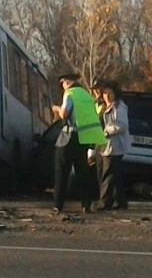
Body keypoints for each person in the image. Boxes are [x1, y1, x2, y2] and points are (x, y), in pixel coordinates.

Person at [52, 72, 107, 214]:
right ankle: (86, 205)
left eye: (62, 84)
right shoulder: (87, 96)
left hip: (69, 137)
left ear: (67, 83)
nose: (62, 87)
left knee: (61, 171)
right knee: (82, 173)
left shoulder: (70, 94)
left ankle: (58, 206)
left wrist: (56, 109)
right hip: (83, 138)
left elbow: (64, 114)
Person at [95, 80, 130, 211]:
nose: (107, 96)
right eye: (104, 93)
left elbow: (122, 125)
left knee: (108, 174)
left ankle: (104, 202)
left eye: (109, 93)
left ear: (115, 93)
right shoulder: (106, 107)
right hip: (107, 145)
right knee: (116, 174)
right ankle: (121, 202)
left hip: (115, 146)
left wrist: (107, 131)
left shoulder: (119, 107)